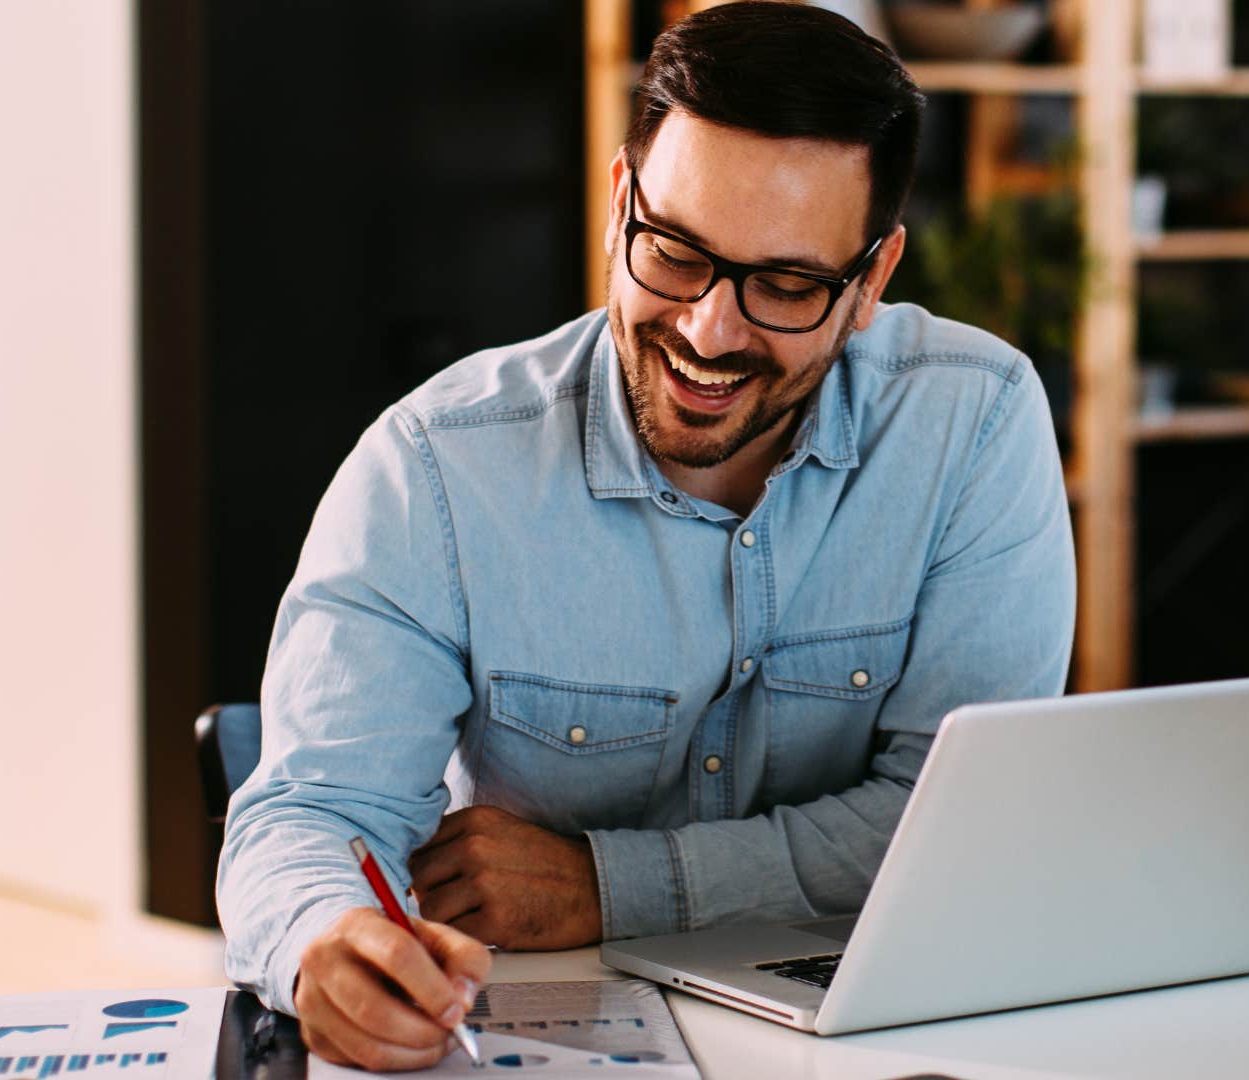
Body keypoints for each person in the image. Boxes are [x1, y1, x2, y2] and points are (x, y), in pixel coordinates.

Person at [216, 2, 1075, 1070]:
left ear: (872, 281)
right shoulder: (435, 467)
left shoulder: (974, 422)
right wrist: (324, 942)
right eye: (674, 252)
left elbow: (952, 823)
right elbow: (306, 817)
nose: (711, 330)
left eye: (788, 284)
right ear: (621, 202)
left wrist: (605, 885)